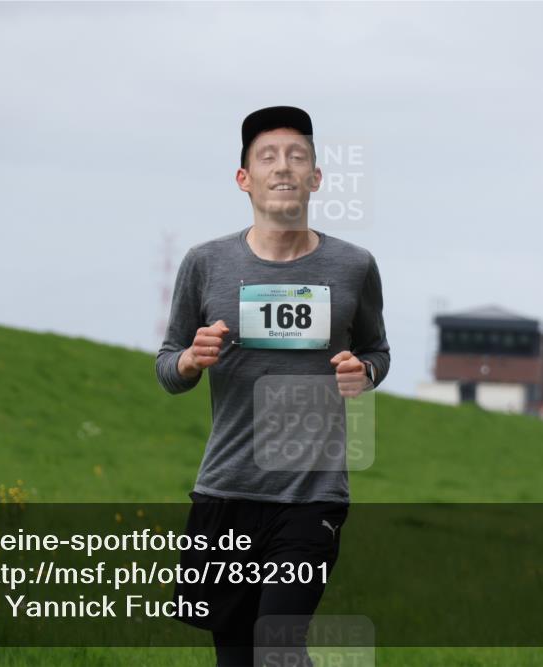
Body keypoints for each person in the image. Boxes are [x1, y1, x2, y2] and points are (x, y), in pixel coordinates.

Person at [155, 106, 391, 667]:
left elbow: (377, 351)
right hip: (226, 491)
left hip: (310, 498)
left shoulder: (354, 266)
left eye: (297, 156)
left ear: (316, 177)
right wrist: (190, 360)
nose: (283, 167)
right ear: (245, 179)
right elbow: (167, 366)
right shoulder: (205, 264)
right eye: (268, 157)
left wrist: (366, 373)